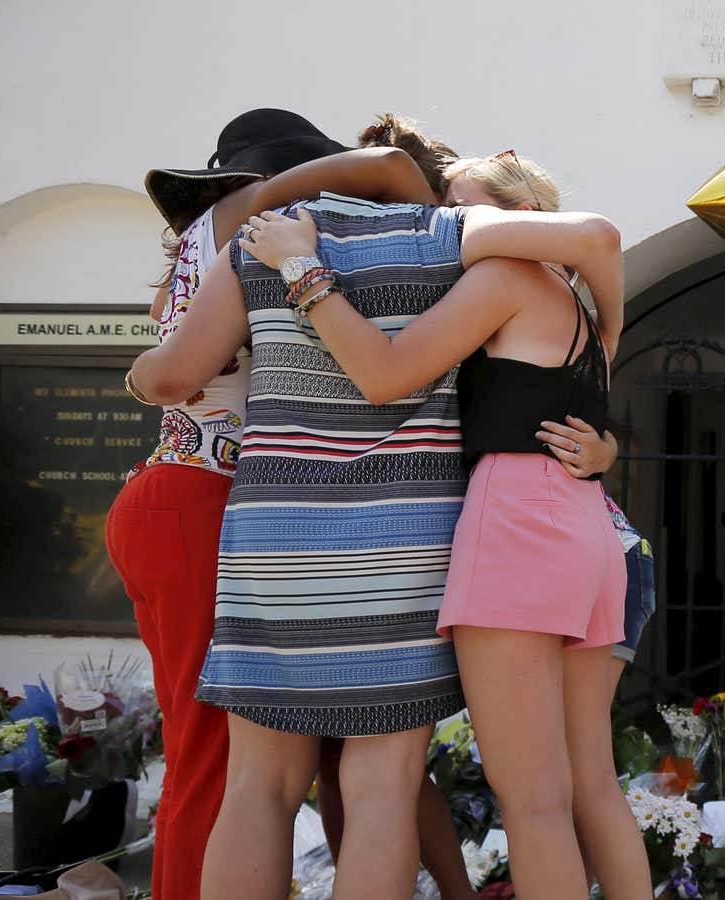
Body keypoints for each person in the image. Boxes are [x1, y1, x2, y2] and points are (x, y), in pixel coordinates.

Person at [126, 173, 624, 897]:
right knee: (381, 791)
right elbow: (592, 247)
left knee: (257, 787)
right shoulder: (442, 240)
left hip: (275, 535)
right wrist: (609, 336)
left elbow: (172, 380)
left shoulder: (262, 239)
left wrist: (138, 377)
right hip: (402, 543)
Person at [106, 107, 449, 900]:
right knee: (214, 762)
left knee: (219, 758)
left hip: (174, 495)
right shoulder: (246, 225)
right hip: (203, 499)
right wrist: (291, 190)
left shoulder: (214, 245)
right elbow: (395, 173)